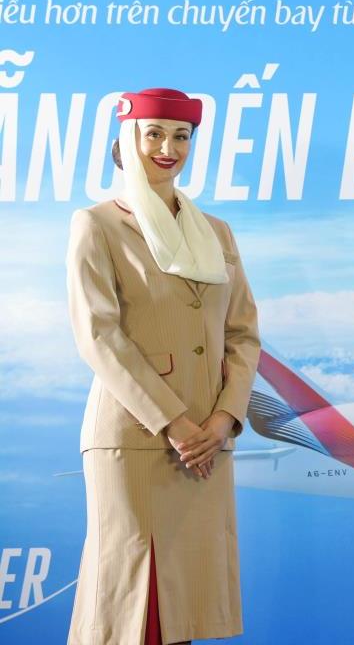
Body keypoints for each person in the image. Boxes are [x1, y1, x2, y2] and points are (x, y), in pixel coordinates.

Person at [66, 88, 260, 645]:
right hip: (137, 434)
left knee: (183, 607)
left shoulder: (216, 232)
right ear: (127, 141)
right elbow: (99, 335)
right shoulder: (97, 224)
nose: (167, 148)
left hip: (207, 438)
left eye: (181, 136)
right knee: (131, 605)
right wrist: (175, 423)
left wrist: (224, 420)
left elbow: (242, 333)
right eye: (153, 134)